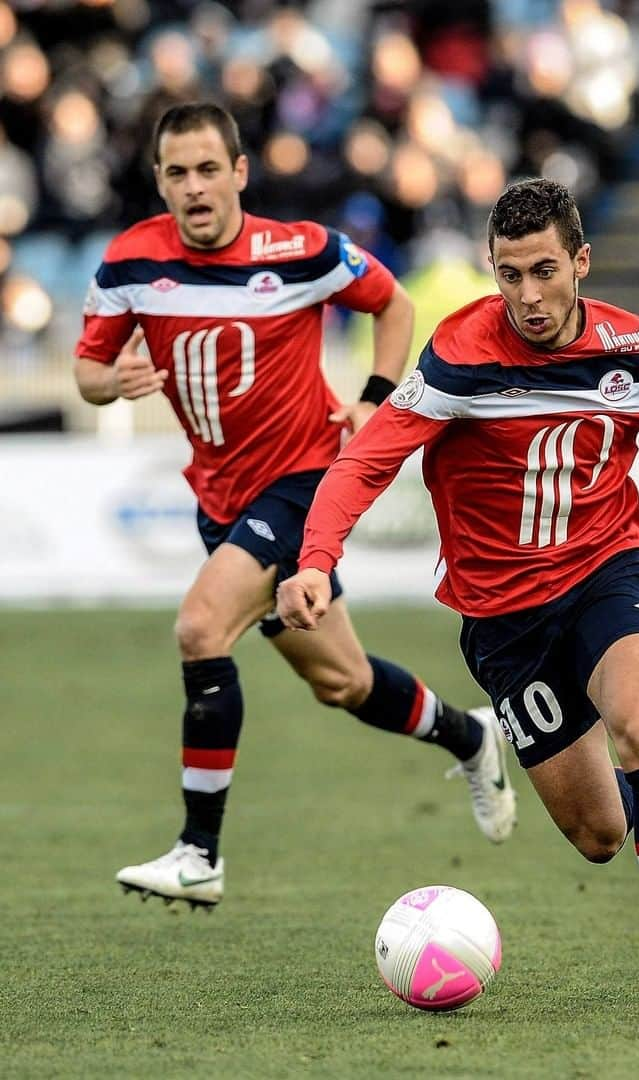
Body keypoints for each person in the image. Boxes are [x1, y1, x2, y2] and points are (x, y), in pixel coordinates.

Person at [277, 178, 639, 1006]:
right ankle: (632, 793)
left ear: (581, 263)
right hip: (502, 620)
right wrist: (317, 558)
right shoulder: (460, 355)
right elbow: (368, 459)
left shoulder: (636, 351)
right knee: (601, 834)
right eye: (508, 274)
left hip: (607, 571)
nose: (527, 295)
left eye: (543, 271)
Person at [72, 102, 516, 910]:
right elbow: (88, 372)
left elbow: (394, 304)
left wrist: (376, 399)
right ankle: (472, 733)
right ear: (161, 182)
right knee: (342, 682)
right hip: (221, 499)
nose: (195, 187)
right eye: (178, 173)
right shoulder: (129, 265)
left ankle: (199, 852)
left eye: (210, 169)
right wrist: (116, 381)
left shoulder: (301, 250)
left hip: (306, 479)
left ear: (240, 173)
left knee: (201, 628)